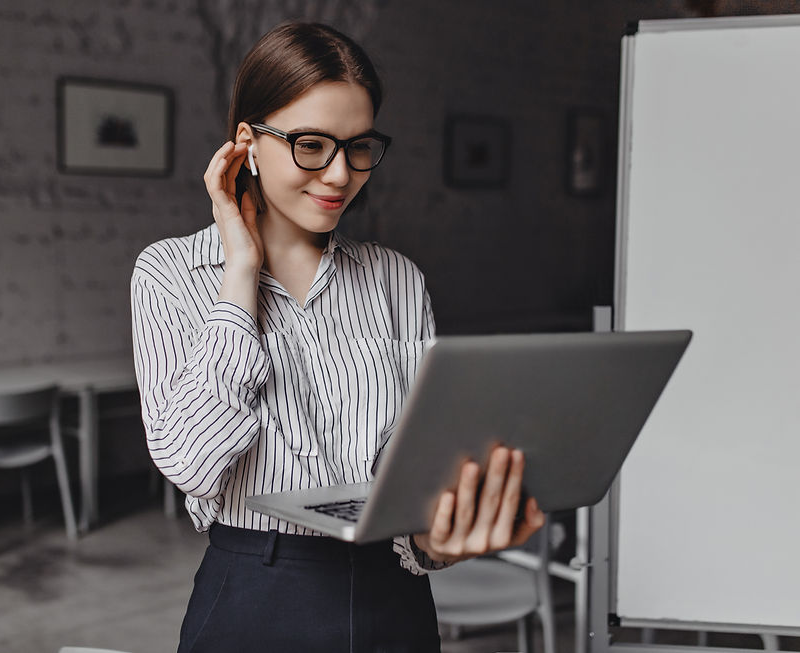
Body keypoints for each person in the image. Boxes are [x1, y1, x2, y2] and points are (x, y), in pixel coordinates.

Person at [131, 21, 545, 652]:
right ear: (247, 144)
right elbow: (191, 462)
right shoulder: (170, 274)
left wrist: (439, 541)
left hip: (393, 597)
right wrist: (240, 274)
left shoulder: (396, 279)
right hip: (251, 594)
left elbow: (413, 469)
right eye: (311, 145)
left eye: (358, 147)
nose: (339, 175)